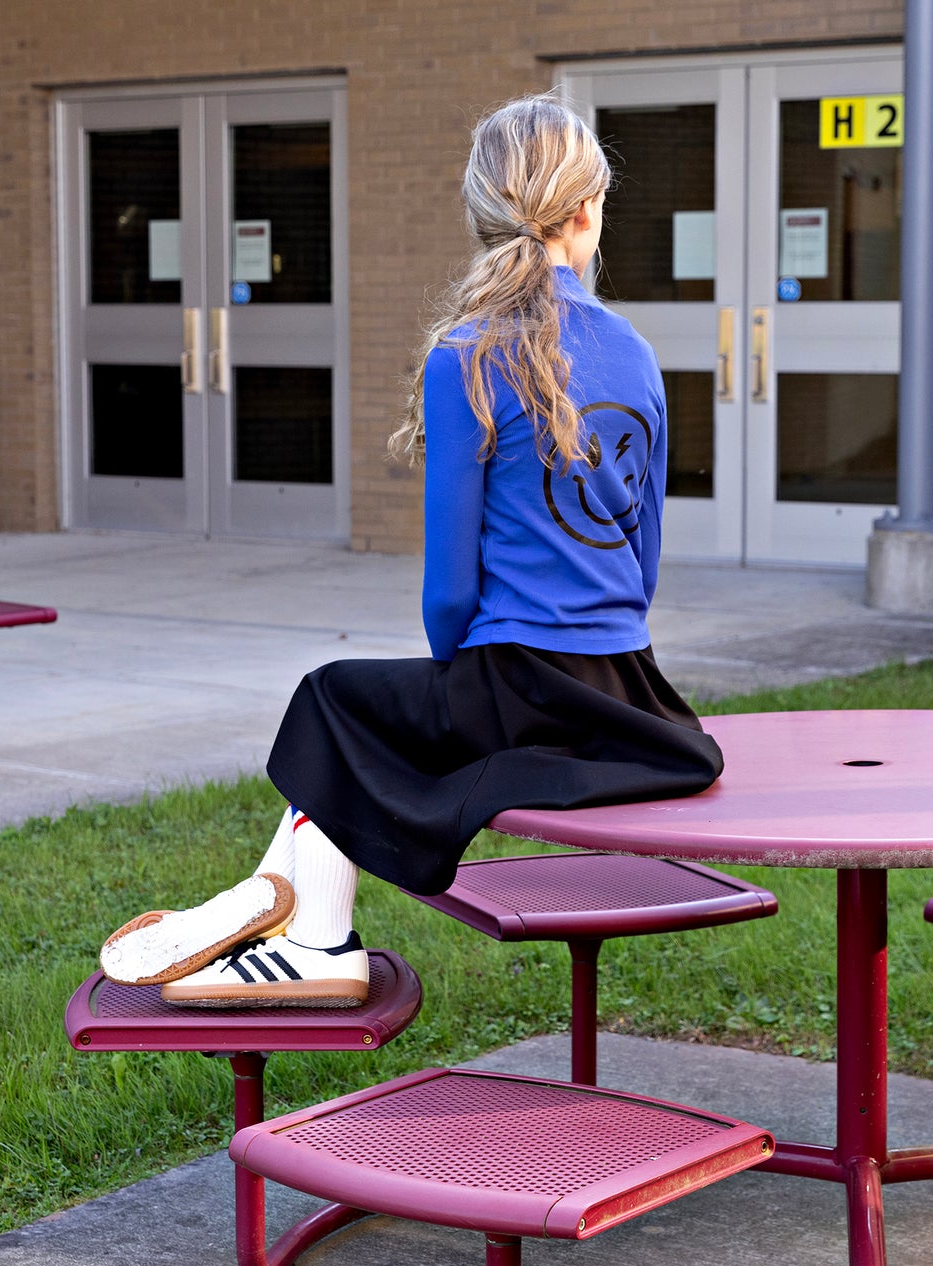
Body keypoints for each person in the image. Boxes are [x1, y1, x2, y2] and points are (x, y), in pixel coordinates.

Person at [99, 93, 723, 1008]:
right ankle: (293, 919)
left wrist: (455, 688)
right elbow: (644, 561)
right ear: (588, 211)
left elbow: (449, 590)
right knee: (372, 717)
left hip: (510, 680)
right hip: (628, 695)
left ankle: (316, 937)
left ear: (481, 220)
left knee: (336, 700)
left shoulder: (465, 357)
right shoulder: (635, 353)